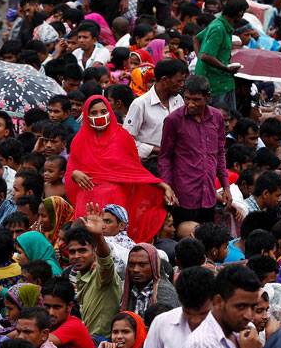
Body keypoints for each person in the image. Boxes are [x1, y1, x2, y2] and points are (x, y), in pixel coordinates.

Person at [65, 95, 175, 242]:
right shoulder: (79, 140)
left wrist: (162, 186)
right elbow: (71, 168)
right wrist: (74, 173)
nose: (99, 116)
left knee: (114, 241)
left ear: (110, 112)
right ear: (86, 115)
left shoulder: (123, 137)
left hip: (114, 198)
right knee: (85, 241)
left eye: (103, 111)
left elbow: (133, 171)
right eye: (94, 113)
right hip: (87, 200)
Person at [159, 76, 229, 226]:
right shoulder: (173, 120)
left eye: (196, 100)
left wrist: (226, 187)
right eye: (187, 99)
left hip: (208, 194)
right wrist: (168, 188)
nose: (190, 104)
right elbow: (165, 157)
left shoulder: (217, 117)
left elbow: (220, 153)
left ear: (207, 97)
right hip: (183, 195)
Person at [63, 206, 122, 338]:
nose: (76, 256)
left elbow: (105, 261)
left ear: (94, 250)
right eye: (72, 252)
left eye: (82, 250)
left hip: (102, 344)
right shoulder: (76, 275)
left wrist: (98, 236)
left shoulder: (102, 275)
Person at [182, 265, 261, 348]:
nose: (249, 316)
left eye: (253, 307)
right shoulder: (201, 345)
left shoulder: (246, 331)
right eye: (241, 307)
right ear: (218, 301)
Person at [124, 59, 187, 164]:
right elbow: (127, 140)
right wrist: (157, 150)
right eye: (179, 81)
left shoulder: (178, 99)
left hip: (177, 161)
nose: (182, 85)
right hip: (150, 163)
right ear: (165, 80)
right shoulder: (140, 104)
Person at [143, 266, 215, 348]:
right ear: (180, 301)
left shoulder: (228, 327)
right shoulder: (162, 323)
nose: (195, 320)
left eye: (203, 314)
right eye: (188, 312)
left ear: (215, 300)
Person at [194, 0, 247, 109]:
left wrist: (200, 61)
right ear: (240, 13)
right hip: (215, 84)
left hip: (223, 81)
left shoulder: (220, 24)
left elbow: (196, 39)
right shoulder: (218, 28)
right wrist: (225, 68)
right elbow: (205, 55)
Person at [120, 243, 179, 317]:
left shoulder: (163, 291)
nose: (135, 269)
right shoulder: (130, 290)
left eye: (142, 265)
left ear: (154, 265)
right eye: (131, 265)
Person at [40, 277, 95, 348]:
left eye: (57, 307)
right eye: (47, 306)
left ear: (69, 306)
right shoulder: (48, 324)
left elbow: (39, 341)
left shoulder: (74, 325)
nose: (51, 312)